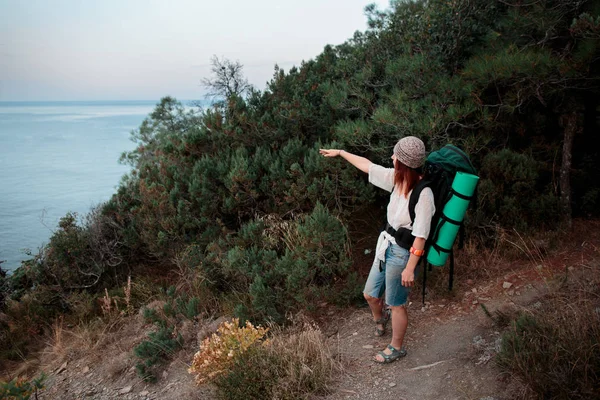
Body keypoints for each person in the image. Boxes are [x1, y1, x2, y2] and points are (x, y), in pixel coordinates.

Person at [319, 136, 435, 363]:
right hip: (385, 245)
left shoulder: (424, 195)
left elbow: (421, 237)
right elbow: (368, 166)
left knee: (397, 304)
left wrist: (410, 268)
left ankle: (396, 347)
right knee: (370, 294)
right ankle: (380, 319)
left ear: (403, 163)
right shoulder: (397, 178)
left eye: (395, 156)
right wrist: (341, 152)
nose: (391, 158)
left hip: (403, 253)